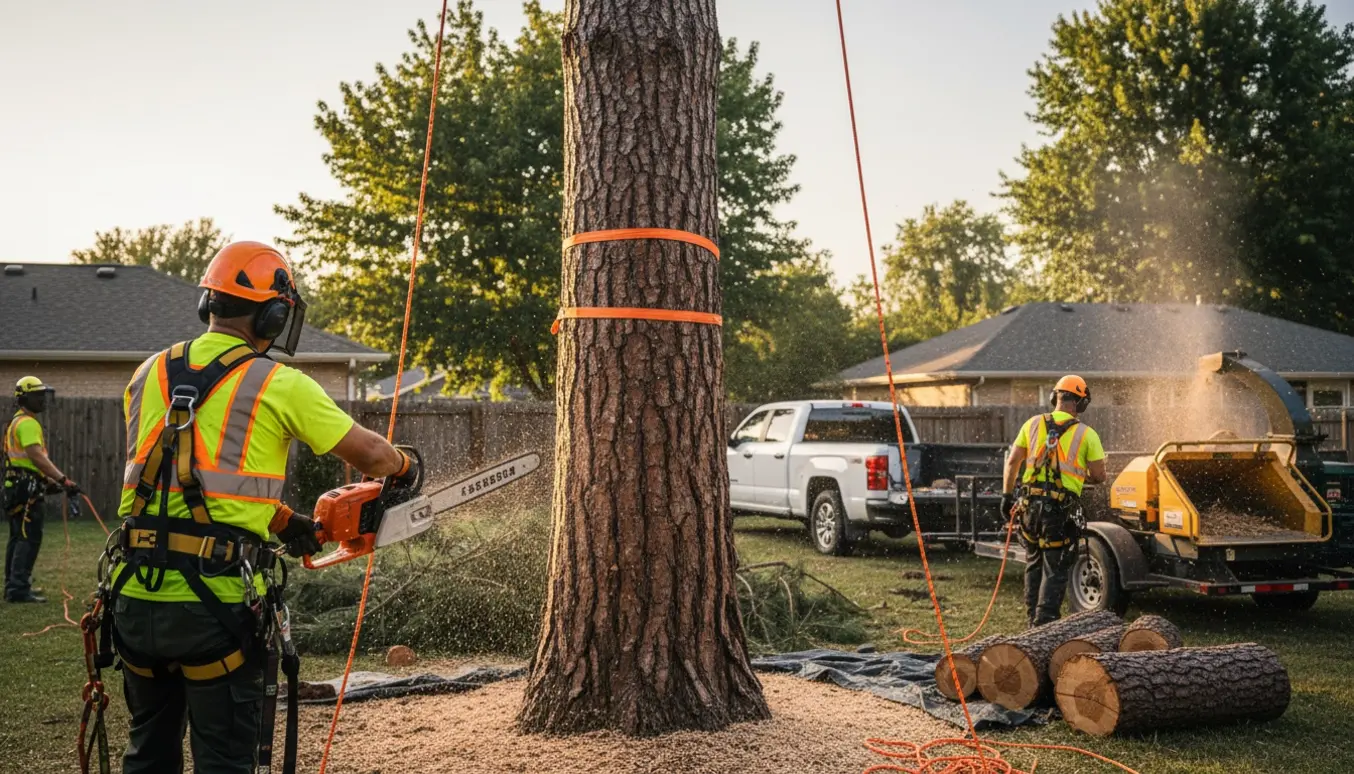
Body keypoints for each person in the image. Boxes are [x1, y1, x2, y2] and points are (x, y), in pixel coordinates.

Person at [107, 241, 421, 774]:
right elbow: (368, 452)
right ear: (274, 313)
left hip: (133, 600)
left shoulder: (147, 374)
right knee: (226, 761)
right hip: (213, 606)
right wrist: (403, 467)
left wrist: (282, 519)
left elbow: (179, 484)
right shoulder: (276, 382)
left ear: (209, 304)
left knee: (148, 753)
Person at [1000, 375, 1106, 627]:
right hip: (1059, 511)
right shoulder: (1086, 434)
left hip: (1029, 508)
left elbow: (1013, 461)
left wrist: (1006, 496)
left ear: (1054, 397)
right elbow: (1100, 476)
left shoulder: (1032, 424)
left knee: (1034, 563)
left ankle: (1031, 622)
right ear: (1080, 403)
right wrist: (1082, 474)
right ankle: (1044, 624)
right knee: (1055, 568)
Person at [4, 376, 80, 603]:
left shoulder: (15, 423)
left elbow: (24, 462)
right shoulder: (28, 423)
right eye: (38, 396)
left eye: (44, 395)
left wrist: (49, 482)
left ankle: (15, 585)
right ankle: (18, 589)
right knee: (28, 538)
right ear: (24, 398)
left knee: (18, 537)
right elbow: (36, 456)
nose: (43, 400)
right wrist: (63, 479)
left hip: (17, 486)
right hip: (26, 490)